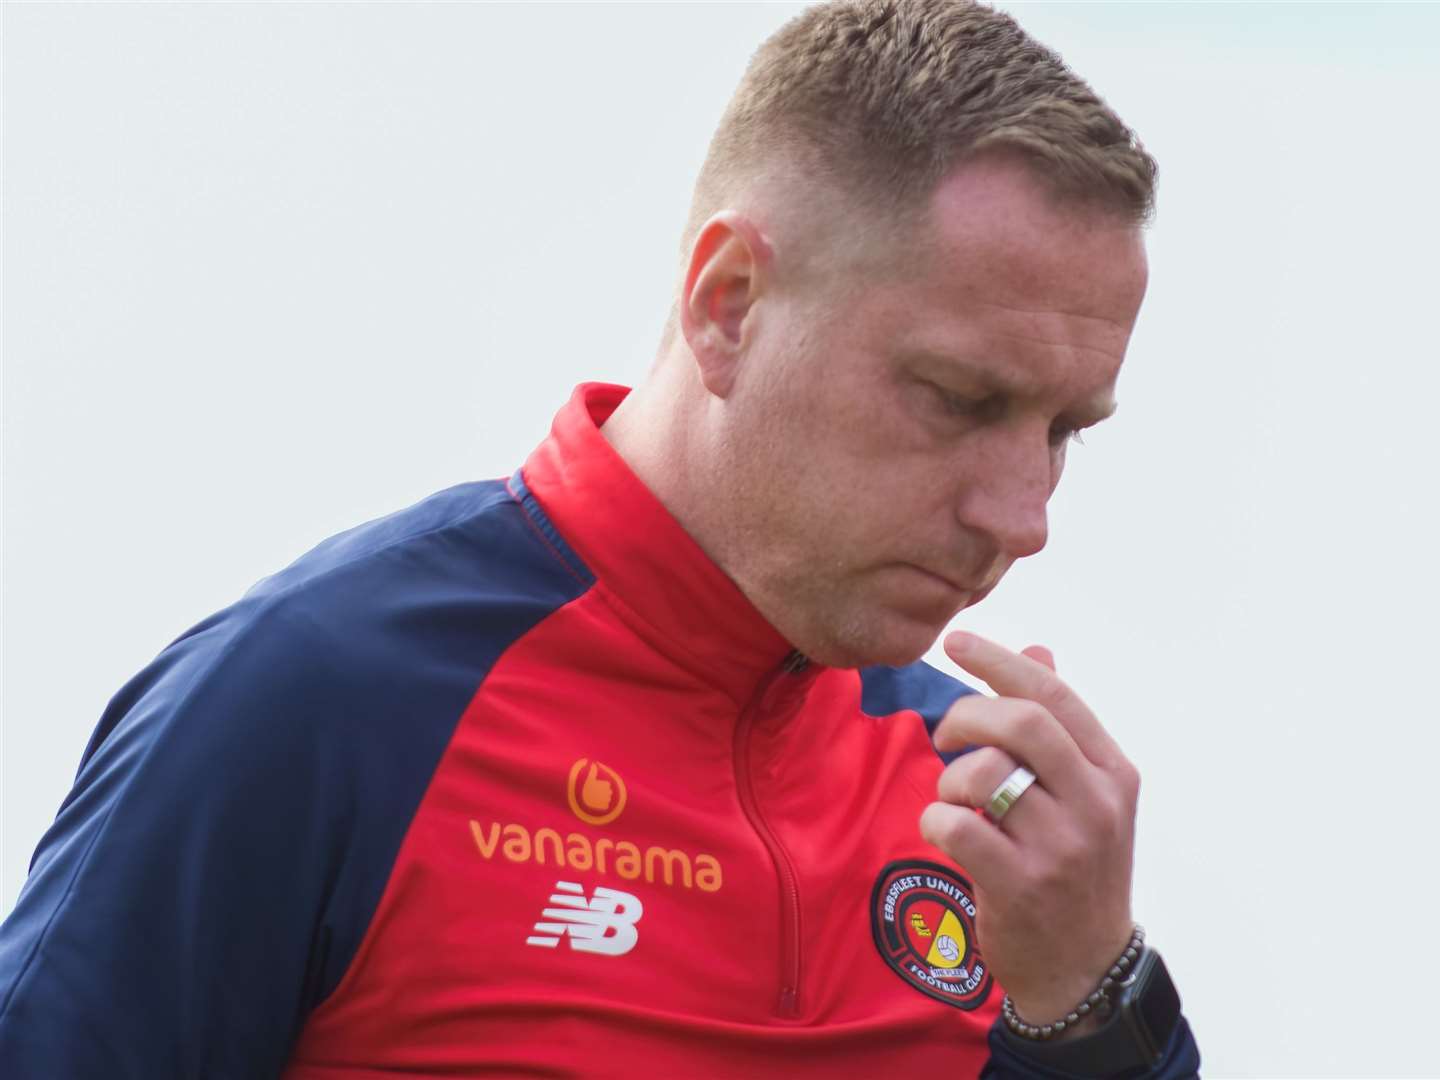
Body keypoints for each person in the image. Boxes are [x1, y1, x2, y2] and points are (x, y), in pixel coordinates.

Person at [0, 1, 1200, 1076]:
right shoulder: (320, 699)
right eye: (956, 397)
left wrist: (1090, 1005)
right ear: (726, 303)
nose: (1022, 517)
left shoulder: (981, 805)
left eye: (1064, 432)